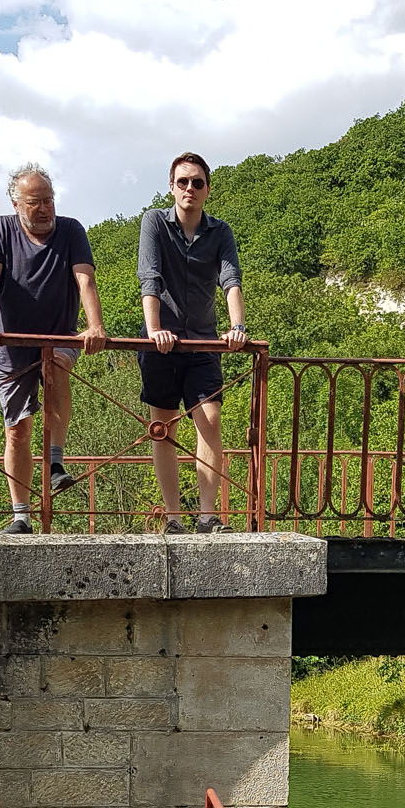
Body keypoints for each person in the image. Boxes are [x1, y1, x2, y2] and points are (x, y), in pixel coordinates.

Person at [0, 164, 108, 534]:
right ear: (16, 204)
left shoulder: (71, 229)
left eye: (49, 200)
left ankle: (54, 461)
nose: (45, 208)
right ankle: (21, 516)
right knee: (17, 430)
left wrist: (95, 326)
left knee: (56, 365)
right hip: (12, 344)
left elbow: (85, 279)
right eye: (35, 202)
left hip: (59, 335)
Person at [138, 151, 248, 534]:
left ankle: (207, 516)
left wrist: (238, 327)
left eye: (197, 183)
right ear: (171, 187)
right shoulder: (154, 222)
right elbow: (149, 277)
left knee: (210, 420)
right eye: (183, 182)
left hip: (202, 342)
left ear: (207, 190)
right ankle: (173, 518)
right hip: (161, 344)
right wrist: (154, 329)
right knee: (163, 428)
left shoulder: (220, 232)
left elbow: (231, 281)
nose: (190, 188)